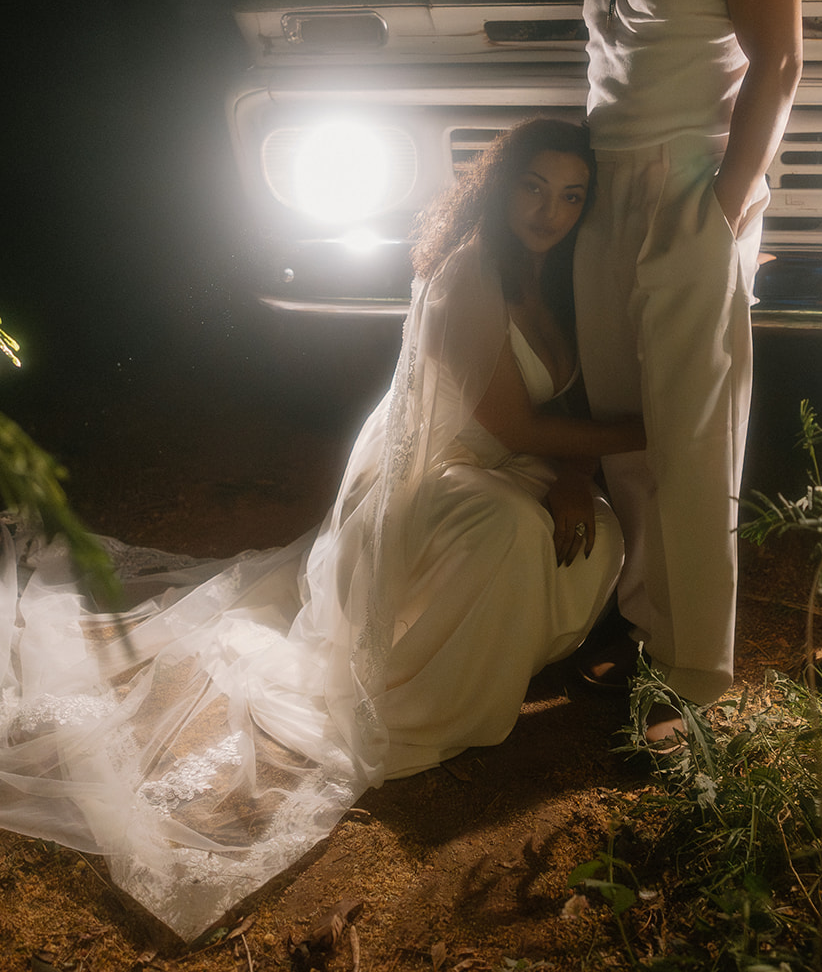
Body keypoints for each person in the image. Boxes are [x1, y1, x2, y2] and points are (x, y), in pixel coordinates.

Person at [0, 118, 640, 941]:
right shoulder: (466, 274)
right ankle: (441, 695)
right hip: (432, 474)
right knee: (510, 531)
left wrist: (581, 475)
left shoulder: (560, 276)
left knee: (607, 535)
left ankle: (502, 641)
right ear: (498, 183)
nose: (550, 211)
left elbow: (563, 411)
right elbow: (513, 424)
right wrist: (648, 434)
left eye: (571, 195)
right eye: (532, 187)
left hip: (507, 467)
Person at [480, 0, 803, 733]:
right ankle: (645, 632)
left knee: (692, 433)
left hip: (688, 184)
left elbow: (778, 62)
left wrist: (725, 202)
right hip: (603, 181)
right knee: (624, 428)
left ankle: (699, 681)